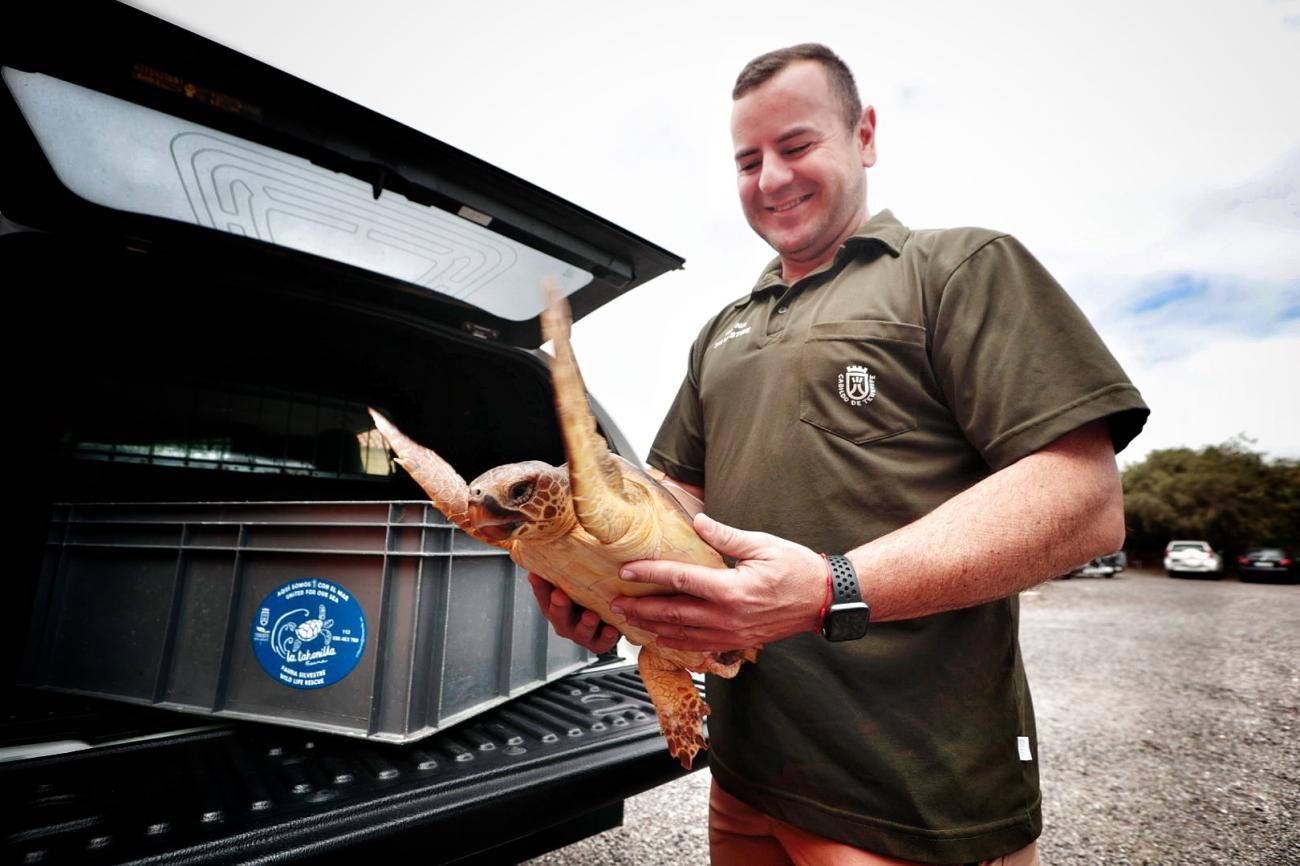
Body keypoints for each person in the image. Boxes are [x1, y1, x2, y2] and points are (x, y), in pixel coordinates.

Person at [531, 43, 1148, 866]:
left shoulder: (955, 268)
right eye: (748, 160)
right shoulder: (724, 329)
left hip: (910, 797)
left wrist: (831, 589)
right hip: (746, 776)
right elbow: (677, 497)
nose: (771, 179)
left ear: (864, 134)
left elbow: (1083, 500)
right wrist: (605, 581)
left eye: (796, 146)